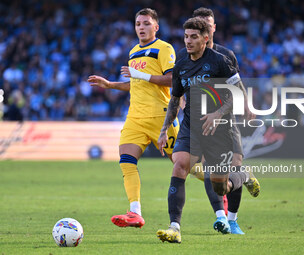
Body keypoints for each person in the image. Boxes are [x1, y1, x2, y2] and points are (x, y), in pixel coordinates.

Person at [156, 17, 260, 243]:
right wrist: (164, 130)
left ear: (205, 38)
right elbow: (175, 100)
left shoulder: (221, 61)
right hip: (190, 127)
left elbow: (238, 94)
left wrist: (217, 114)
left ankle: (244, 175)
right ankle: (174, 227)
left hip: (218, 131)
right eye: (186, 36)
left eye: (193, 37)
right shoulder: (181, 64)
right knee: (179, 166)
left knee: (221, 187)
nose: (188, 41)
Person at [88, 8, 179, 228]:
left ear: (155, 27)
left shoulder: (163, 48)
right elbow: (136, 84)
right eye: (138, 23)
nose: (141, 27)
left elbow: (172, 79)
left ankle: (224, 184)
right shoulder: (133, 52)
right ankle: (135, 212)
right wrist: (110, 85)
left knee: (185, 166)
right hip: (135, 118)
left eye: (146, 23)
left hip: (161, 117)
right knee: (126, 161)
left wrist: (142, 75)